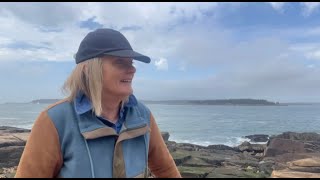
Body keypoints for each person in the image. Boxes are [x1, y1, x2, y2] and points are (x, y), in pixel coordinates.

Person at [15, 28, 181, 178]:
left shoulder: (142, 115)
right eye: (120, 62)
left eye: (131, 63)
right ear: (88, 69)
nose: (132, 69)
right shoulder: (54, 121)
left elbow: (166, 170)